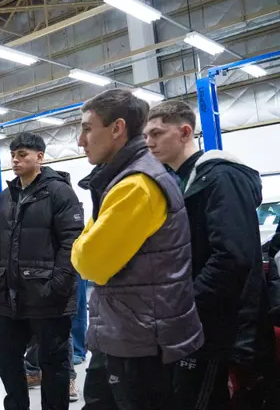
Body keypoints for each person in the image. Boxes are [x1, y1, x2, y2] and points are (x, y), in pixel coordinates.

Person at [71, 89, 204, 410]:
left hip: (139, 342)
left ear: (117, 128)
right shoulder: (125, 178)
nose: (80, 140)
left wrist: (78, 245)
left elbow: (90, 263)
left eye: (88, 128)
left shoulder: (136, 185)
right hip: (130, 332)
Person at [144, 100, 267, 409]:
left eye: (157, 134)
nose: (149, 142)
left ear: (185, 132)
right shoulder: (179, 181)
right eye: (146, 135)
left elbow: (232, 256)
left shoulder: (220, 177)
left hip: (218, 328)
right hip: (191, 325)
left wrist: (183, 305)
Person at [0, 132, 84, 410]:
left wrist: (56, 286)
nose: (16, 160)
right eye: (13, 155)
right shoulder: (7, 195)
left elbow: (72, 242)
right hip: (10, 296)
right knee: (4, 352)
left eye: (23, 155)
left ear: (39, 157)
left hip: (48, 296)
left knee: (53, 363)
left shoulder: (59, 191)